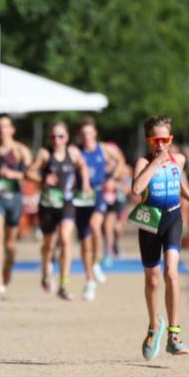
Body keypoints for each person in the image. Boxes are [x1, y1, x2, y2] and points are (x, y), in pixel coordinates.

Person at [130, 115, 189, 359]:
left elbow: (180, 184)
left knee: (171, 272)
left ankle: (174, 334)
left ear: (171, 139)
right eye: (156, 140)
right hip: (149, 221)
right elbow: (136, 189)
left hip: (172, 218)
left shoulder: (179, 159)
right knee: (153, 281)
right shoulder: (142, 162)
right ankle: (154, 325)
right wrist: (156, 163)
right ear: (148, 141)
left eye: (165, 139)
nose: (160, 144)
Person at [26, 122, 90, 300]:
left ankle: (64, 284)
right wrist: (43, 179)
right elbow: (29, 172)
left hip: (67, 202)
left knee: (65, 239)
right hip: (48, 205)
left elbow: (82, 166)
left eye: (60, 136)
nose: (57, 140)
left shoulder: (73, 153)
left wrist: (84, 182)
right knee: (49, 245)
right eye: (53, 136)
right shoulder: (45, 154)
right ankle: (46, 270)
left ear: (67, 138)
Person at [0, 114, 33, 294]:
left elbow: (33, 175)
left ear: (12, 129)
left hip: (15, 199)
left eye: (6, 126)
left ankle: (7, 270)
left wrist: (14, 175)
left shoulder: (20, 150)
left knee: (10, 244)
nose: (2, 130)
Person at [75, 117, 125, 301]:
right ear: (79, 135)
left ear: (95, 133)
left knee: (96, 226)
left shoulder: (104, 149)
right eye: (83, 134)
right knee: (84, 242)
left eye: (90, 133)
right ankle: (89, 281)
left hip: (97, 194)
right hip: (80, 197)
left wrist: (113, 178)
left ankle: (96, 262)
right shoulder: (76, 151)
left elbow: (120, 160)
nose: (87, 137)